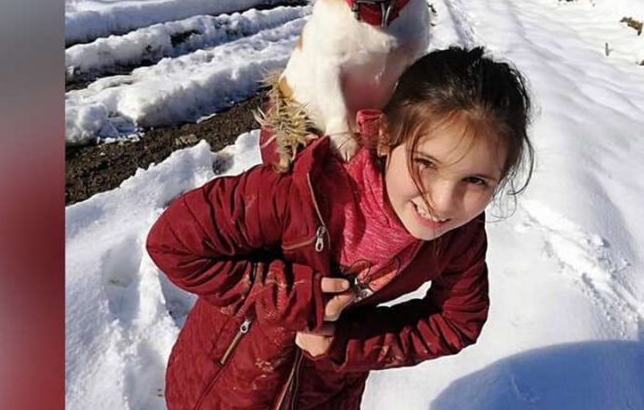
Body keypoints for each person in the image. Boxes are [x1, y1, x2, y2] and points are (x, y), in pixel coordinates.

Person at [146, 46, 534, 409]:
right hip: (225, 384)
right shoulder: (297, 193)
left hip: (325, 395)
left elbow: (457, 321)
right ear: (384, 137)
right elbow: (171, 243)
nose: (443, 201)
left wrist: (345, 344)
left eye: (476, 181)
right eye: (426, 164)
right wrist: (287, 297)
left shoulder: (459, 237)